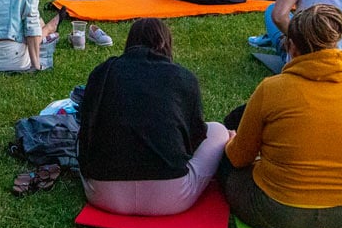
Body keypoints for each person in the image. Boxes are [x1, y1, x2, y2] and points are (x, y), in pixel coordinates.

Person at [223, 4, 342, 228]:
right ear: (336, 43)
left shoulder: (271, 89)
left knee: (225, 162)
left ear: (291, 46)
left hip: (273, 212)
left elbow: (239, 157)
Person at [78, 18, 231, 216]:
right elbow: (194, 139)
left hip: (103, 193)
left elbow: (87, 127)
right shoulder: (184, 77)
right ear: (165, 43)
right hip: (171, 197)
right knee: (217, 130)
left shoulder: (102, 72)